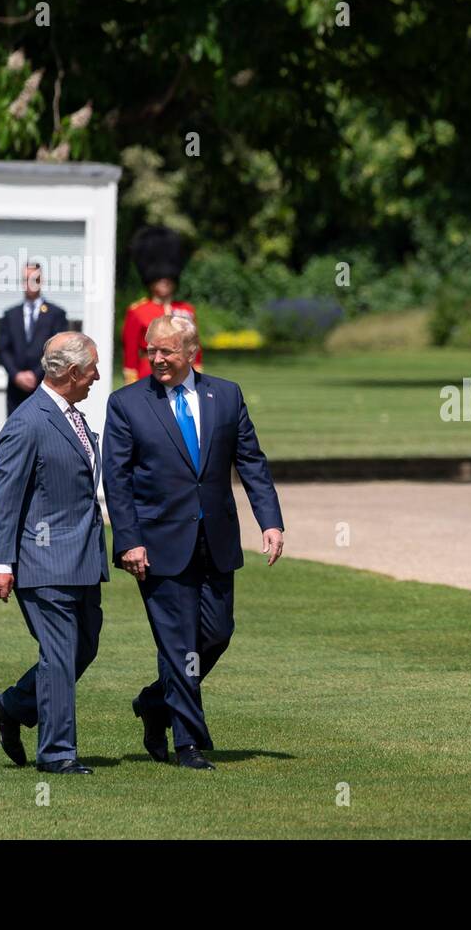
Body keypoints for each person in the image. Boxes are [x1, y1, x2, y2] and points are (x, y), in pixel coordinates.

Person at [103, 315, 284, 771]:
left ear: (191, 351)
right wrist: (129, 541)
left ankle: (154, 701)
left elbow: (252, 463)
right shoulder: (126, 404)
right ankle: (188, 743)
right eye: (152, 351)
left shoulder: (226, 395)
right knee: (179, 644)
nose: (158, 359)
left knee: (217, 633)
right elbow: (117, 480)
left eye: (167, 351)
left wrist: (271, 522)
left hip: (217, 538)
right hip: (157, 543)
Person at [0, 332, 107, 774]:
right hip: (43, 562)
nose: (97, 375)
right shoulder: (27, 422)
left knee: (83, 648)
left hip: (84, 559)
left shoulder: (73, 415)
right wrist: (0, 563)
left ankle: (11, 706)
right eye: (92, 368)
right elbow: (4, 497)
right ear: (72, 372)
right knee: (58, 655)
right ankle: (56, 755)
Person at [121, 226, 201, 384]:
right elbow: (130, 352)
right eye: (158, 279)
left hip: (182, 372)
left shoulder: (187, 310)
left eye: (168, 279)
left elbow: (195, 346)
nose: (164, 282)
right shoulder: (138, 311)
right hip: (148, 372)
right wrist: (131, 380)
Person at [0, 261, 69, 416]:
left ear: (41, 281)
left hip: (45, 388)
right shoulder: (10, 315)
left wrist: (36, 375)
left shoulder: (56, 314)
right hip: (15, 392)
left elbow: (58, 351)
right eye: (26, 279)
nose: (30, 284)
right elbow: (3, 349)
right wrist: (16, 375)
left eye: (35, 279)